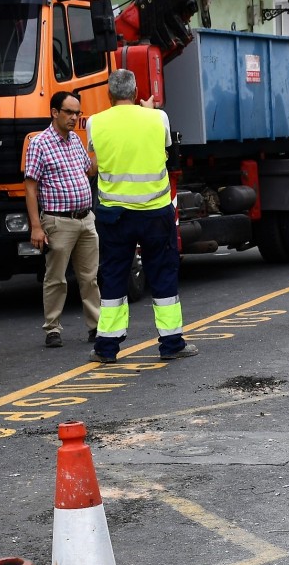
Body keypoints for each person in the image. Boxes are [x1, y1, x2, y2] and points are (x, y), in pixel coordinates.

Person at [87, 69, 197, 363]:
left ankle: (106, 348)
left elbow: (95, 163)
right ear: (135, 93)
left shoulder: (94, 123)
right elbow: (165, 149)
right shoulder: (157, 118)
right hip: (154, 213)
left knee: (112, 278)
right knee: (162, 276)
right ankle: (171, 344)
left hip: (114, 216)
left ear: (109, 95)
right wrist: (149, 111)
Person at [24, 90, 101, 349]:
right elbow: (30, 187)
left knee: (89, 277)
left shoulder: (76, 141)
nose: (74, 117)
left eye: (77, 113)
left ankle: (96, 326)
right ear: (54, 112)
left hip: (85, 219)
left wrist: (99, 148)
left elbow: (88, 170)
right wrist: (36, 226)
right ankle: (52, 329)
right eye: (69, 112)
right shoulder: (39, 143)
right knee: (56, 278)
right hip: (58, 222)